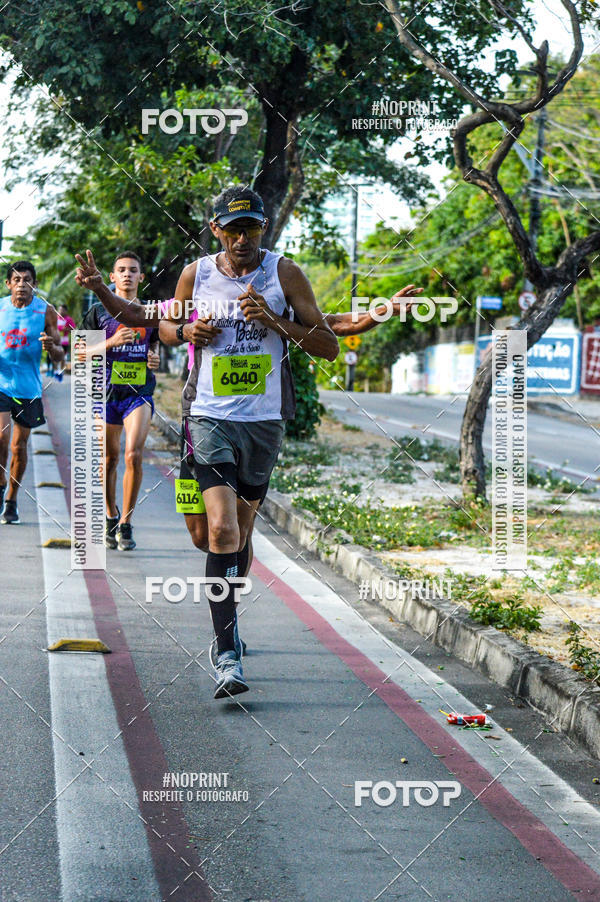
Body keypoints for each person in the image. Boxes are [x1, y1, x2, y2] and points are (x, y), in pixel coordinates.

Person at [80, 252, 160, 551]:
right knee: (110, 458)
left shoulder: (151, 313)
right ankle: (110, 515)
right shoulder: (98, 313)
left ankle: (126, 522)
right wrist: (110, 343)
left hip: (139, 394)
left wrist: (155, 358)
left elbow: (155, 345)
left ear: (141, 277)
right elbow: (79, 354)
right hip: (106, 394)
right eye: (121, 270)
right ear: (111, 277)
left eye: (133, 270)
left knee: (133, 455)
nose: (127, 275)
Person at [0, 260, 63, 524]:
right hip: (2, 383)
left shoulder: (45, 311)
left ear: (34, 285)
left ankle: (12, 499)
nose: (22, 285)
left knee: (18, 446)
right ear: (8, 284)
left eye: (27, 280)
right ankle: (0, 483)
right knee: (1, 439)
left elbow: (60, 356)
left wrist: (52, 348)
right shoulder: (1, 307)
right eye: (17, 280)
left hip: (28, 389)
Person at [55, 304, 76, 378]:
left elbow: (73, 329)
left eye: (62, 310)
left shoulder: (69, 319)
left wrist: (66, 329)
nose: (61, 311)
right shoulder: (55, 318)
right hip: (55, 340)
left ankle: (61, 371)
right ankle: (55, 371)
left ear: (66, 311)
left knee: (63, 356)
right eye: (59, 310)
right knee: (55, 355)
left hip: (64, 341)